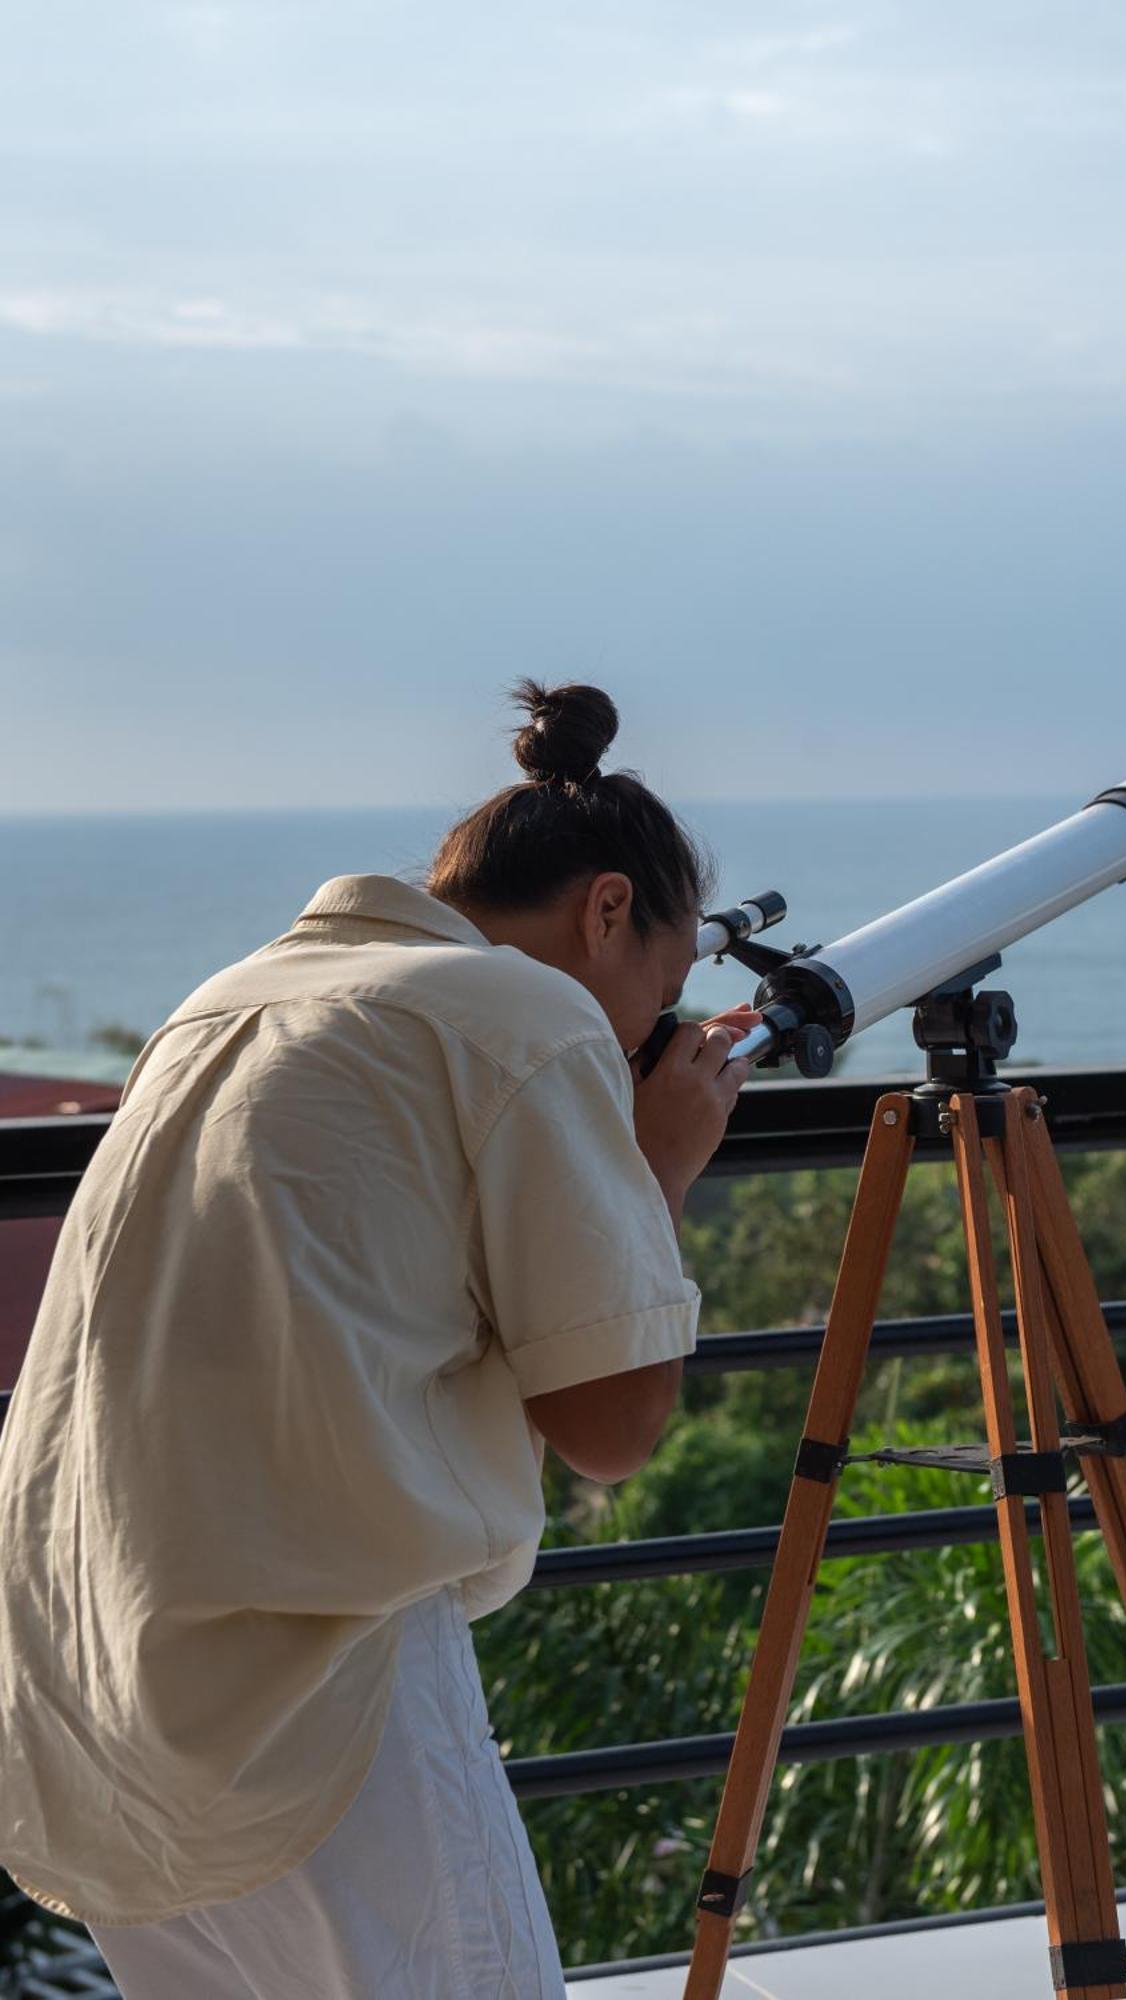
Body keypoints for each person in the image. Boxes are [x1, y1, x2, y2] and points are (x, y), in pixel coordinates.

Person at [0, 680, 759, 1997]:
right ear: (607, 910)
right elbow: (611, 1431)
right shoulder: (528, 1018)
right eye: (665, 985)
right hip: (310, 1666)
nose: (652, 1029)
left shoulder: (231, 997)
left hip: (81, 1644)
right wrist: (658, 1171)